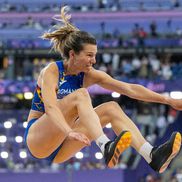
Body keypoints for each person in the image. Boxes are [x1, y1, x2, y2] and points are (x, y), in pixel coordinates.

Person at [24, 6, 182, 173]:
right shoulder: (52, 71)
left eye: (95, 55)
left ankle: (151, 155)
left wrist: (168, 100)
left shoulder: (89, 75)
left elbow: (129, 88)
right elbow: (50, 108)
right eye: (89, 55)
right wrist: (69, 131)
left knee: (112, 108)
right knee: (81, 95)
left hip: (63, 144)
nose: (94, 60)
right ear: (72, 55)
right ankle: (105, 145)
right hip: (38, 140)